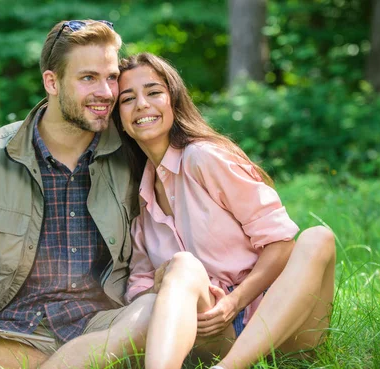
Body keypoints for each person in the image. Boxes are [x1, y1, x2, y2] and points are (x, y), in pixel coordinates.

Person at [0, 21, 156, 369]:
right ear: (51, 82)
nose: (106, 92)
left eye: (112, 77)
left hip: (102, 326)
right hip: (10, 330)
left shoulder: (133, 152)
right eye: (88, 78)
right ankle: (71, 364)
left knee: (153, 313)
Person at [114, 53, 336, 369]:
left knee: (319, 238)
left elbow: (281, 243)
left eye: (153, 92)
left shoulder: (204, 158)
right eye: (127, 99)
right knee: (180, 266)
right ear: (119, 118)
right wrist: (167, 281)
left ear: (173, 101)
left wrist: (234, 302)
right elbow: (139, 289)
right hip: (213, 333)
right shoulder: (139, 197)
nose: (141, 105)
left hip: (280, 324)